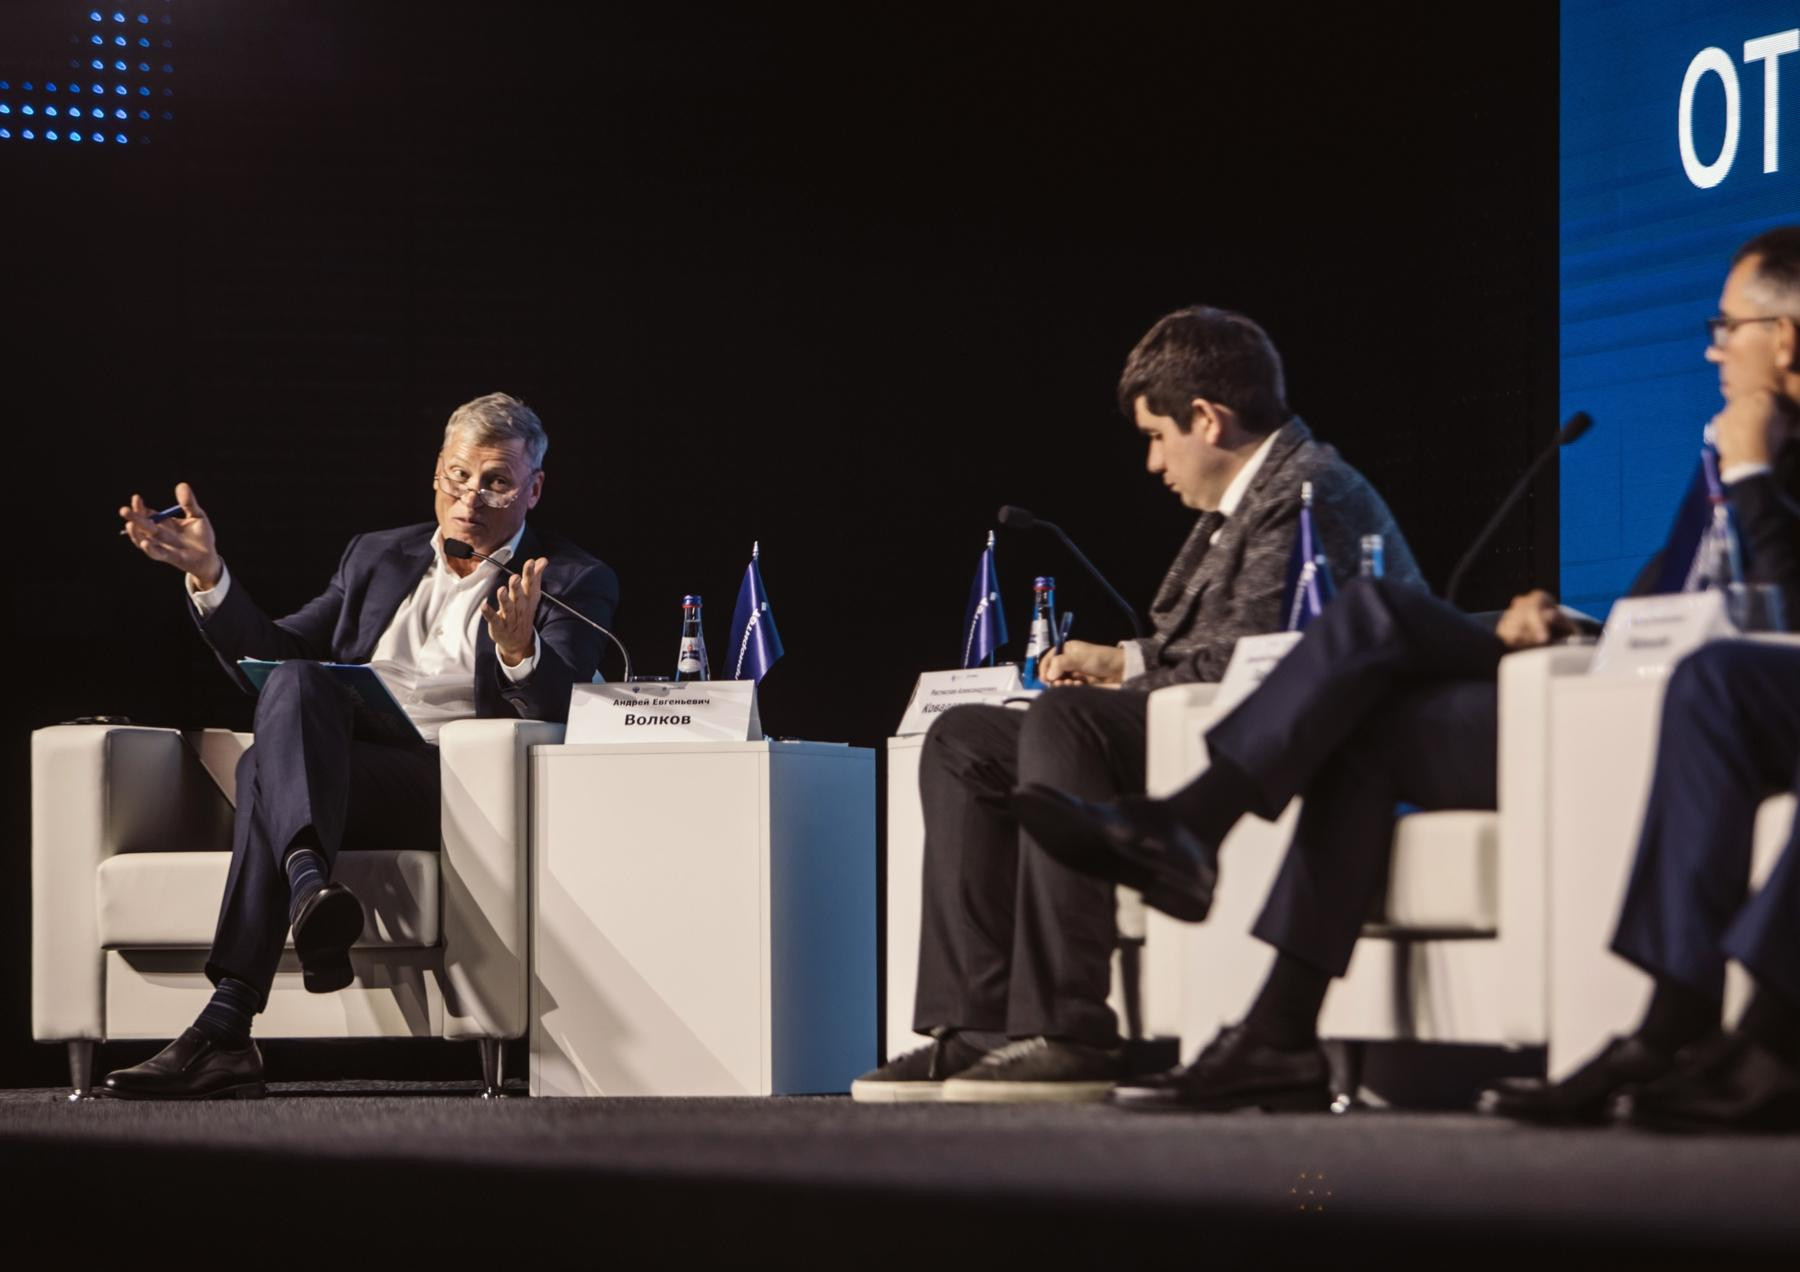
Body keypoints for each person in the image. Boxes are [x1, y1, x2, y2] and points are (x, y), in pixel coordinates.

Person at [1010, 227, 1800, 1115]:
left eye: (1728, 326)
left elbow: (1781, 613)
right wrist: (1567, 624)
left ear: (1785, 336)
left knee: (1376, 616)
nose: (1713, 347)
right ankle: (1277, 1034)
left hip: (1691, 712)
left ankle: (1195, 825)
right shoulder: (1734, 446)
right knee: (1367, 716)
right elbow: (1663, 602)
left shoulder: (1753, 453)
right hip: (1604, 688)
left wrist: (1756, 473)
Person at [852, 306, 1425, 1104]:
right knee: (964, 739)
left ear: (1207, 419)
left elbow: (1269, 659)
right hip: (1189, 719)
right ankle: (975, 1029)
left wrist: (1126, 677)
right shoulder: (1239, 506)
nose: (1153, 462)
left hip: (1264, 740)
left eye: (1157, 436)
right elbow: (1208, 646)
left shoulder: (1308, 494)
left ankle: (1071, 1031)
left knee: (1065, 720)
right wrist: (1124, 662)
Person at [102, 392, 620, 1099]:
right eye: (459, 476)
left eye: (496, 481)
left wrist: (518, 650)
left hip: (450, 785)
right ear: (437, 473)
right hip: (345, 772)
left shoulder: (569, 579)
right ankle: (297, 905)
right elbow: (279, 652)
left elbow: (559, 710)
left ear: (533, 489)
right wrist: (210, 577)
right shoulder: (377, 555)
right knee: (294, 687)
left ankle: (238, 1005)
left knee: (262, 767)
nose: (471, 498)